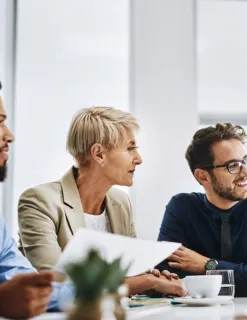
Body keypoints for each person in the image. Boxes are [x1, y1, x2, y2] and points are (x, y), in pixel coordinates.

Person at [17, 106, 184, 296]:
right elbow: (56, 281)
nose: (139, 159)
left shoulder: (120, 202)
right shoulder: (39, 201)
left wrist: (152, 281)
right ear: (98, 154)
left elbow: (132, 272)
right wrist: (146, 282)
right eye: (130, 148)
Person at [156, 123, 247, 297]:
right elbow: (166, 278)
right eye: (233, 165)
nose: (245, 172)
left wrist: (207, 265)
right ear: (203, 176)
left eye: (245, 161)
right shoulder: (181, 207)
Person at [0, 80, 73, 319]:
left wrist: (125, 287)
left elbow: (36, 288)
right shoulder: (40, 200)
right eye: (0, 122)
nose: (9, 136)